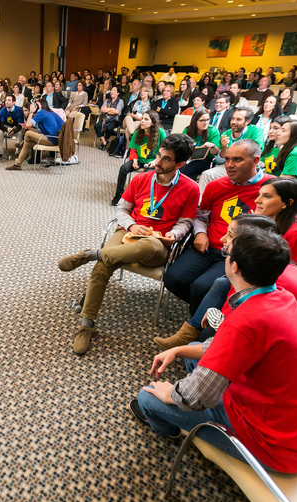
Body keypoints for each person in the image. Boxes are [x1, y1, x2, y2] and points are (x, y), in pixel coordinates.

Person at [135, 226, 297, 474]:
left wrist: (171, 393)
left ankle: (172, 430)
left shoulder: (246, 320)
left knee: (148, 397)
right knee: (195, 349)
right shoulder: (281, 297)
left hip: (275, 446)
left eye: (228, 253)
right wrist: (181, 349)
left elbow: (195, 398)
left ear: (234, 267)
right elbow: (228, 344)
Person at [154, 215, 297, 400]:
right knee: (201, 347)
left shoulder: (260, 289)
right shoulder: (275, 273)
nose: (222, 240)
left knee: (201, 360)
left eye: (229, 235)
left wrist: (179, 392)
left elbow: (232, 339)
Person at [59, 134, 199, 355]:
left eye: (166, 159)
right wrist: (132, 226)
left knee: (149, 247)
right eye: (158, 155)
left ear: (180, 164)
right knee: (103, 266)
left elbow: (186, 222)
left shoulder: (190, 188)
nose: (157, 162)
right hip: (128, 231)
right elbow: (122, 209)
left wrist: (173, 234)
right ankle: (86, 325)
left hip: (157, 241)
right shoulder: (140, 179)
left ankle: (92, 253)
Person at [163, 139, 271, 315]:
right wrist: (199, 233)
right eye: (227, 159)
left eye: (237, 160)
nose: (229, 165)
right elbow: (201, 216)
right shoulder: (216, 185)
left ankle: (199, 326)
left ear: (255, 161)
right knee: (173, 279)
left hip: (238, 254)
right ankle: (209, 312)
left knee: (202, 286)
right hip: (208, 247)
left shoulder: (271, 187)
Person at [193, 107, 265, 188]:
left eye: (238, 119)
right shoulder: (226, 134)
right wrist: (224, 148)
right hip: (227, 166)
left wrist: (232, 151)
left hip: (246, 166)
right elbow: (220, 160)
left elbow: (254, 152)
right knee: (207, 175)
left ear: (247, 121)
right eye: (233, 119)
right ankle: (203, 201)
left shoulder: (255, 131)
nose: (234, 122)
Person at [111, 110, 167, 205]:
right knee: (123, 169)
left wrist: (156, 161)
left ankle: (139, 199)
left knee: (145, 176)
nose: (142, 121)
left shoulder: (160, 132)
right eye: (142, 119)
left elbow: (165, 150)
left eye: (146, 119)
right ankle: (119, 194)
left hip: (154, 161)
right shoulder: (138, 133)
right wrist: (134, 160)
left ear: (153, 122)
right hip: (140, 159)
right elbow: (133, 149)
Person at [5, 99, 64, 170]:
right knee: (28, 143)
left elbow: (28, 124)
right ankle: (17, 164)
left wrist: (31, 112)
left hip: (51, 139)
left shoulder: (41, 113)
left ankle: (22, 143)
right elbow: (37, 129)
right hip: (50, 137)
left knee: (28, 133)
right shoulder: (42, 112)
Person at [179, 109, 221, 181]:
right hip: (188, 158)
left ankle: (177, 180)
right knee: (184, 169)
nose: (206, 123)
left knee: (186, 170)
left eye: (208, 120)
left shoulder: (213, 131)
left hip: (204, 160)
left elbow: (215, 152)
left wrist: (212, 146)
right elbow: (182, 147)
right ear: (195, 121)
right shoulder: (187, 130)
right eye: (202, 120)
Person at [94, 86, 124, 151]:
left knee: (109, 128)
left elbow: (117, 112)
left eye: (114, 91)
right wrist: (112, 109)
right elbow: (102, 109)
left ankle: (105, 139)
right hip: (105, 119)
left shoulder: (120, 101)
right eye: (111, 91)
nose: (112, 92)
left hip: (115, 120)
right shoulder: (107, 100)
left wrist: (107, 109)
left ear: (118, 93)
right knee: (97, 126)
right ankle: (104, 142)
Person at [0, 95, 24, 161]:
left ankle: (18, 153)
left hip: (16, 128)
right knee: (0, 132)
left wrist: (13, 131)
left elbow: (20, 125)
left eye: (9, 100)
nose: (6, 102)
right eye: (6, 100)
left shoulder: (19, 110)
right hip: (6, 127)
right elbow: (1, 124)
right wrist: (7, 130)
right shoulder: (2, 111)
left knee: (20, 133)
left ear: (14, 102)